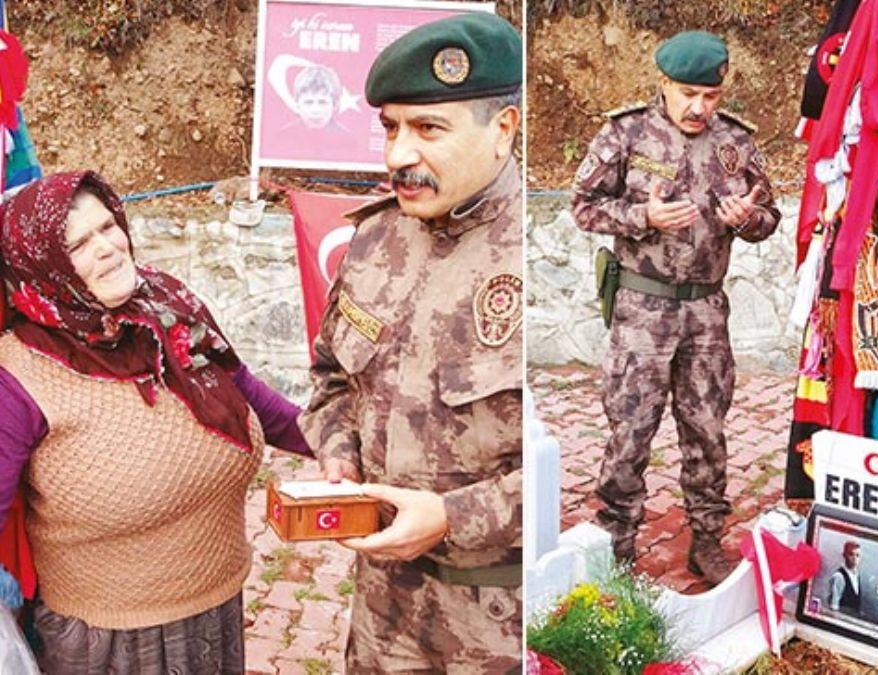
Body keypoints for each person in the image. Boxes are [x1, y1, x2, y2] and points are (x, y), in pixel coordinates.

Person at [0, 170, 311, 673]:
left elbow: (247, 394)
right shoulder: (18, 377)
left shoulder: (169, 309)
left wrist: (344, 443)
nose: (107, 247)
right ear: (43, 266)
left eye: (107, 226)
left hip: (215, 614)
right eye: (78, 243)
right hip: (107, 646)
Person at [297, 12, 523, 672]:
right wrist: (340, 454)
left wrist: (453, 514)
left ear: (502, 130)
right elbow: (332, 377)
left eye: (428, 129)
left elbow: (562, 469)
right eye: (390, 127)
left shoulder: (532, 253)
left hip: (494, 630)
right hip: (381, 617)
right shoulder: (375, 238)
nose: (398, 154)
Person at [571, 30, 780, 584]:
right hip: (643, 306)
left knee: (707, 428)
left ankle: (707, 539)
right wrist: (644, 217)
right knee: (631, 428)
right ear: (663, 83)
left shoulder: (735, 142)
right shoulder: (626, 133)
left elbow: (769, 214)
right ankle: (616, 540)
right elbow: (583, 206)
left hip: (707, 311)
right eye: (687, 93)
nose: (698, 107)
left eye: (709, 96)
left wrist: (748, 221)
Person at [288, 64, 349, 132]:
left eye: (322, 102)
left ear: (335, 104)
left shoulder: (348, 139)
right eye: (308, 102)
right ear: (297, 104)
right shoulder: (283, 137)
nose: (315, 110)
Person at [827, 540, 861, 616]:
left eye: (857, 555)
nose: (855, 558)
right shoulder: (839, 576)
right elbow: (834, 606)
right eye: (851, 554)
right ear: (844, 555)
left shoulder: (857, 575)